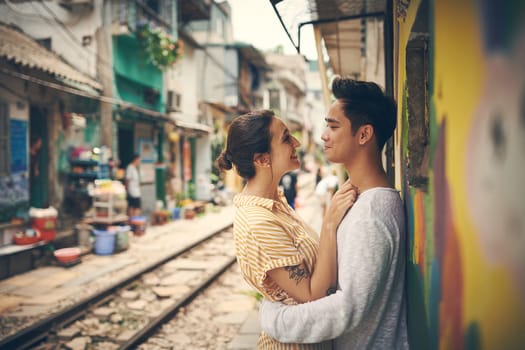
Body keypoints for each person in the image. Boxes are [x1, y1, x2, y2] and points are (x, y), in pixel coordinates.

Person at [259, 77, 408, 349]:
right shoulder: (362, 199)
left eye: (333, 126)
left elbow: (346, 308)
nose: (323, 135)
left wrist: (275, 317)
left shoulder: (371, 214)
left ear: (364, 134)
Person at [216, 109, 357, 349]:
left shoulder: (275, 204)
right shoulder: (259, 222)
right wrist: (330, 222)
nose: (297, 142)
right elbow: (312, 295)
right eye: (285, 138)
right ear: (262, 159)